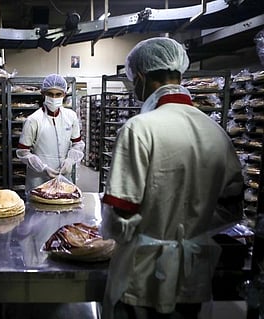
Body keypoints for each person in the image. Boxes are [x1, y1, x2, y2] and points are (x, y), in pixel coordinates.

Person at [101, 37, 244, 319]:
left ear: (141, 77)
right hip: (194, 269)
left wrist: (147, 229)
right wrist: (191, 224)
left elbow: (120, 215)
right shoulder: (215, 132)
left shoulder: (139, 129)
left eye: (133, 82)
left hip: (142, 273)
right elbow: (231, 209)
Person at [16, 74, 85, 194]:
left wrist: (70, 160)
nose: (54, 98)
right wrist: (42, 168)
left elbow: (77, 144)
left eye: (58, 94)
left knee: (63, 204)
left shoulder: (71, 116)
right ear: (43, 94)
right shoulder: (33, 120)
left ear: (64, 94)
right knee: (38, 208)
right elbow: (23, 152)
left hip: (63, 176)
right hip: (38, 179)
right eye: (50, 94)